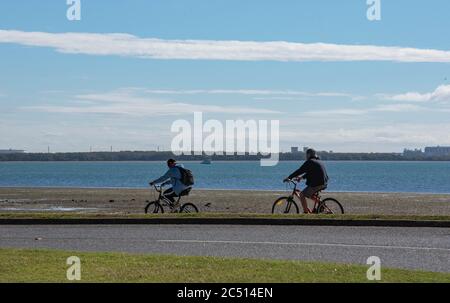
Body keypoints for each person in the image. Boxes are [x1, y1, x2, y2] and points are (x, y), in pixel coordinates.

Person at [283, 149, 329, 213]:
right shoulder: (317, 161)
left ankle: (305, 213)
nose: (306, 156)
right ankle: (322, 205)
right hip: (324, 182)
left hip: (318, 183)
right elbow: (311, 172)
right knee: (311, 194)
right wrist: (301, 177)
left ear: (309, 154)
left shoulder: (310, 162)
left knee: (302, 194)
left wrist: (289, 177)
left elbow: (300, 170)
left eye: (306, 155)